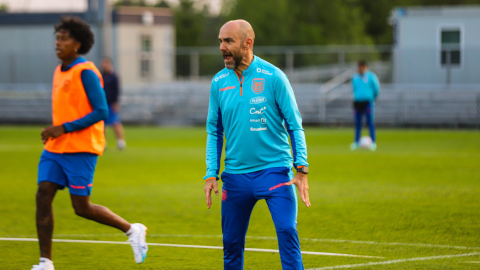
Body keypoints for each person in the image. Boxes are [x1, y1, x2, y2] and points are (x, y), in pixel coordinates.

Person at [32, 16, 147, 270]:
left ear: (78, 44)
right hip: (55, 148)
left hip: (81, 148)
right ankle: (45, 263)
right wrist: (55, 131)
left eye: (64, 38)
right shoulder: (58, 70)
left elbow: (101, 111)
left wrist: (63, 128)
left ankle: (132, 230)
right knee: (43, 195)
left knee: (81, 207)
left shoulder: (86, 71)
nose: (58, 43)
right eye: (57, 38)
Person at [203, 20, 310, 270]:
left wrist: (301, 167)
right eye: (220, 41)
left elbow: (295, 124)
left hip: (275, 172)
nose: (222, 47)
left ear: (247, 43)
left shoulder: (274, 77)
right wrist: (211, 173)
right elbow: (214, 131)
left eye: (228, 41)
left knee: (286, 231)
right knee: (230, 245)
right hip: (235, 177)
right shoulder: (219, 82)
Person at [350, 60, 380, 151]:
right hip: (358, 103)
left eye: (362, 67)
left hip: (368, 103)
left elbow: (376, 89)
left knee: (370, 122)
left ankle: (373, 142)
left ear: (365, 67)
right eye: (359, 67)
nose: (360, 69)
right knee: (358, 123)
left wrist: (372, 98)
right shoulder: (355, 78)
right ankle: (356, 142)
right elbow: (354, 89)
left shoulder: (371, 76)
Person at [101, 57, 126, 150]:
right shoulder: (101, 76)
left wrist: (116, 102)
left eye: (106, 63)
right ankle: (103, 142)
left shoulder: (114, 77)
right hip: (103, 103)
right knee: (102, 124)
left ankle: (120, 142)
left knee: (115, 122)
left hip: (111, 103)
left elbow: (117, 90)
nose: (104, 65)